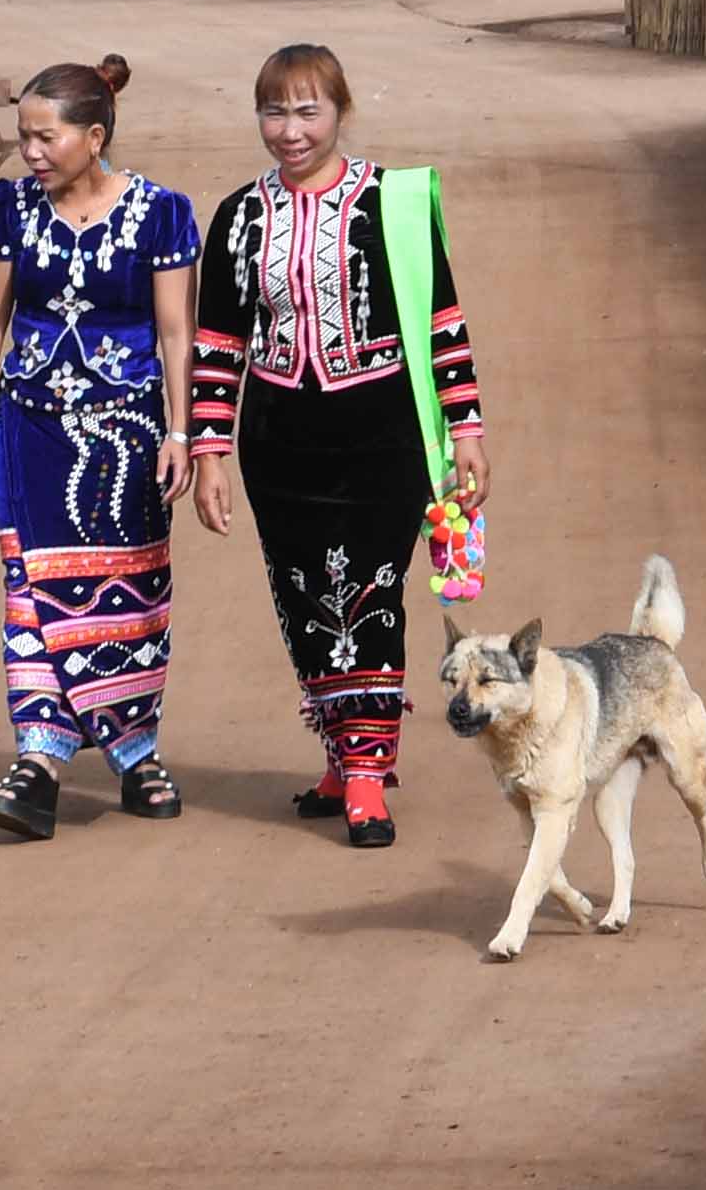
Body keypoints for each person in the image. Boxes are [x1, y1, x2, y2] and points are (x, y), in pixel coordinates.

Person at [189, 42, 491, 848]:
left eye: (307, 110)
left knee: (371, 597)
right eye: (274, 111)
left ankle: (366, 772)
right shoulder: (238, 216)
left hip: (381, 434)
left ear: (341, 112)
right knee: (303, 602)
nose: (290, 130)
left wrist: (466, 429)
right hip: (278, 441)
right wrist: (209, 452)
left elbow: (442, 324)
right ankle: (341, 747)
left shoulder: (389, 203)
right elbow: (216, 342)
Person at [0, 55, 199, 840]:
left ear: (94, 137)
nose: (29, 152)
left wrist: (183, 431)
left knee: (130, 589)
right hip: (31, 432)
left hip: (128, 438)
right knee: (31, 587)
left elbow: (175, 331)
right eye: (22, 136)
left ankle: (135, 751)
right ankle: (39, 761)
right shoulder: (9, 209)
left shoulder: (163, 214)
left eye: (44, 137)